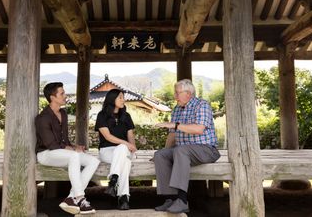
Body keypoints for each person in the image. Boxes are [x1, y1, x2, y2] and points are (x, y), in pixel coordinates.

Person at [153, 79, 220, 214]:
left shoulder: (202, 105)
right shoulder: (177, 109)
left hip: (206, 150)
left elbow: (199, 129)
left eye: (177, 93)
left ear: (188, 94)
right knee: (160, 155)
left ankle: (182, 200)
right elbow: (172, 135)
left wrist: (176, 125)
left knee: (181, 150)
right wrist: (165, 152)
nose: (175, 96)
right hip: (183, 152)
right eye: (175, 93)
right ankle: (170, 199)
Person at [35, 82, 100, 215]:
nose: (65, 96)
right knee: (74, 156)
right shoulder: (42, 118)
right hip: (46, 154)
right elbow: (51, 144)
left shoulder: (63, 113)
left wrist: (75, 147)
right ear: (52, 97)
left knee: (93, 161)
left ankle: (71, 198)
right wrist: (71, 149)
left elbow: (64, 140)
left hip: (62, 152)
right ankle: (80, 198)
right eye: (62, 93)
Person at [94, 89, 137, 210]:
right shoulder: (102, 115)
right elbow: (107, 136)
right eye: (120, 97)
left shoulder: (126, 116)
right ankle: (123, 197)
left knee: (124, 153)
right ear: (112, 99)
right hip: (106, 151)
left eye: (123, 97)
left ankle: (114, 181)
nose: (124, 100)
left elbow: (130, 136)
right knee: (125, 158)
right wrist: (126, 144)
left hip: (124, 151)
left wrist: (132, 147)